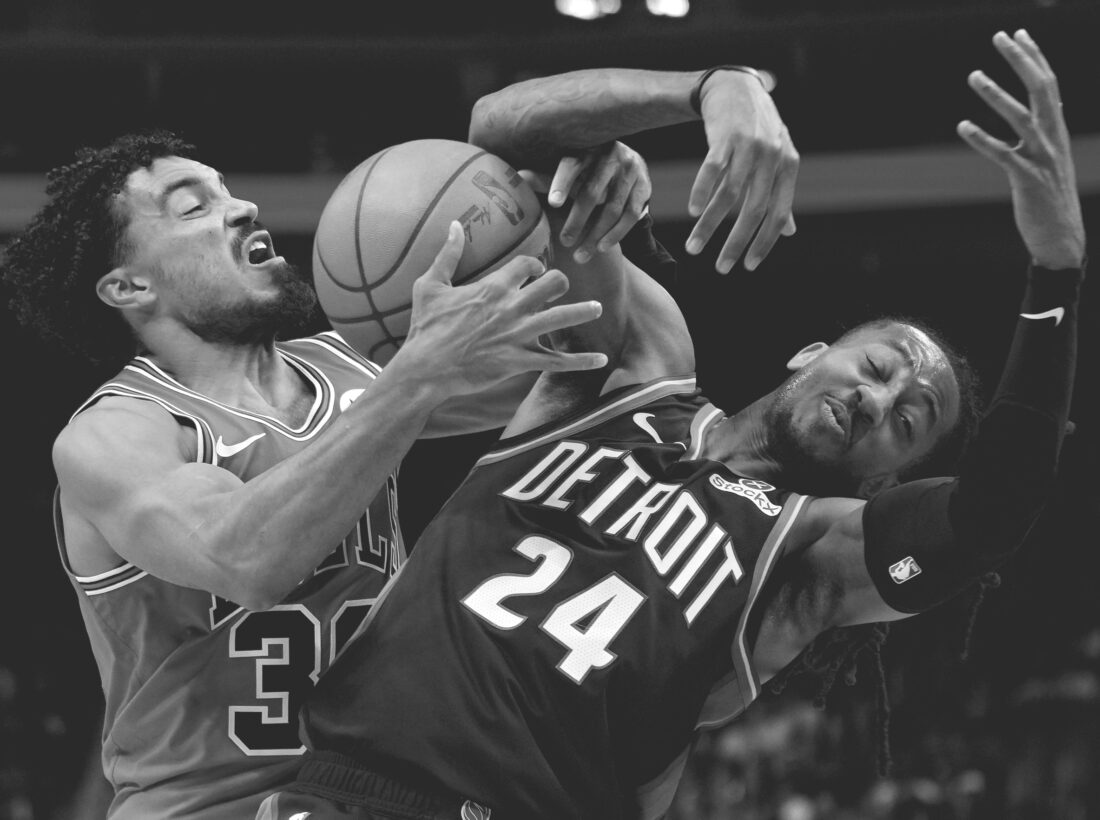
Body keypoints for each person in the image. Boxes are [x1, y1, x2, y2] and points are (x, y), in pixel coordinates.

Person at [260, 30, 1083, 820]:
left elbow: (990, 516)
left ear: (886, 476)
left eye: (908, 418)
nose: (879, 397)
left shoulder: (810, 553)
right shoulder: (637, 370)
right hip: (333, 788)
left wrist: (1055, 273)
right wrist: (710, 89)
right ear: (810, 353)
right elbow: (502, 132)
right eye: (876, 366)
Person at [0, 65, 801, 819]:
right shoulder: (114, 433)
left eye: (227, 189)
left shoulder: (353, 366)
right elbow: (246, 558)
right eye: (191, 207)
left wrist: (596, 196)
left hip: (378, 792)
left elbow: (598, 354)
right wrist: (418, 375)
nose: (240, 208)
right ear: (128, 286)